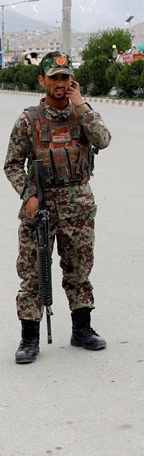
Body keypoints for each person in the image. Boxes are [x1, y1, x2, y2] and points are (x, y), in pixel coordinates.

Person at [4, 51, 112, 364]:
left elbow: (103, 140)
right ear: (43, 81)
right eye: (55, 78)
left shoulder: (83, 113)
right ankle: (29, 338)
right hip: (41, 208)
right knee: (34, 274)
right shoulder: (29, 120)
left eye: (66, 77)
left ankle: (82, 329)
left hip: (78, 207)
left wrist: (82, 105)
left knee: (79, 270)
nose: (61, 83)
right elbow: (11, 164)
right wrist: (30, 195)